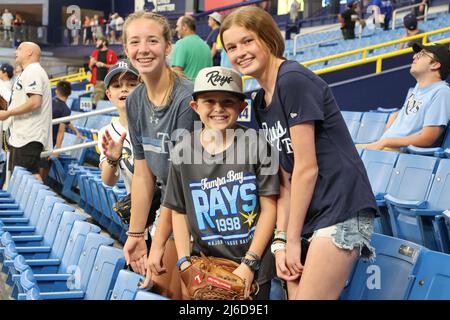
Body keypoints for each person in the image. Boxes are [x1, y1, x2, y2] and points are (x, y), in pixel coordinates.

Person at [221, 6, 378, 300]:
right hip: (308, 214)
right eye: (231, 47)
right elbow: (287, 178)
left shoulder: (292, 79)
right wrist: (281, 241)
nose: (239, 52)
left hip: (340, 208)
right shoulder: (258, 101)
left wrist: (291, 240)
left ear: (268, 39)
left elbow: (307, 168)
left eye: (247, 41)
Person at [164, 66, 279, 299]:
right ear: (195, 107)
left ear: (242, 107)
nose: (218, 109)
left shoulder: (258, 145)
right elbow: (179, 210)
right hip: (204, 263)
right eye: (209, 101)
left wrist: (250, 263)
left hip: (253, 265)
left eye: (227, 101)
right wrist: (184, 261)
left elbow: (270, 209)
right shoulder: (182, 150)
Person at [121, 11, 198, 299]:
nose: (143, 49)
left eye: (152, 40)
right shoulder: (135, 101)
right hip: (171, 208)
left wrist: (156, 244)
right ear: (126, 49)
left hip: (197, 210)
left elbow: (180, 182)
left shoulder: (186, 99)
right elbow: (143, 175)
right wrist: (136, 234)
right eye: (135, 42)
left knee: (181, 292)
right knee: (161, 289)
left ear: (168, 47)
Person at [360, 43, 450, 151]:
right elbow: (399, 115)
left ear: (435, 65)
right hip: (386, 148)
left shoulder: (442, 92)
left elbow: (427, 138)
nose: (414, 56)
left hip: (399, 154)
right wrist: (385, 138)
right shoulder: (418, 87)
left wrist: (387, 142)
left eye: (422, 54)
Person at [0, 42, 52, 180]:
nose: (16, 51)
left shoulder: (33, 71)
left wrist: (8, 113)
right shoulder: (28, 72)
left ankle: (41, 202)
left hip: (29, 135)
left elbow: (35, 101)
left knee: (29, 177)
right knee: (24, 176)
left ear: (30, 52)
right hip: (23, 135)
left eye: (20, 48)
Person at [98, 60, 139, 193]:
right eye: (116, 85)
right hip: (137, 207)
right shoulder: (107, 132)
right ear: (109, 94)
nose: (124, 89)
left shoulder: (156, 123)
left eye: (132, 84)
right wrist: (112, 160)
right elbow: (108, 181)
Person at [38, 80, 83, 180]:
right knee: (42, 173)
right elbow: (60, 131)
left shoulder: (50, 102)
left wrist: (76, 131)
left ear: (57, 91)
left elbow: (64, 121)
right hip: (48, 143)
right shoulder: (65, 109)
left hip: (39, 137)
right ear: (70, 93)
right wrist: (57, 150)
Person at [172, 15, 212, 80]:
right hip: (204, 89)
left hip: (186, 89)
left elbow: (176, 72)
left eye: (177, 26)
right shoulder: (206, 46)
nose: (176, 29)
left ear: (184, 27)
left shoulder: (181, 43)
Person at [89, 35, 118, 107]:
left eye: (98, 41)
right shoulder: (95, 53)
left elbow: (116, 66)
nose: (96, 42)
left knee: (107, 100)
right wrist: (92, 63)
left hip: (109, 81)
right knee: (96, 100)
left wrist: (104, 65)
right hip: (98, 81)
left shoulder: (111, 53)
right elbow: (90, 67)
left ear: (104, 42)